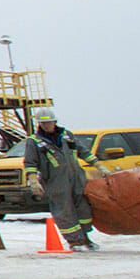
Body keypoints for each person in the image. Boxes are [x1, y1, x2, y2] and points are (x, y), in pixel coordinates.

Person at [22, 107, 109, 251]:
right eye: (43, 123)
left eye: (49, 122)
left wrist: (99, 166)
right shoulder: (34, 141)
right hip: (56, 183)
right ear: (39, 124)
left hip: (77, 180)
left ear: (55, 121)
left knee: (83, 210)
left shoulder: (66, 135)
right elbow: (30, 163)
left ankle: (86, 239)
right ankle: (75, 242)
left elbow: (83, 151)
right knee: (64, 212)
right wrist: (33, 180)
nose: (47, 126)